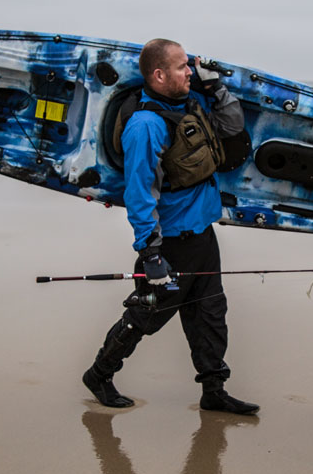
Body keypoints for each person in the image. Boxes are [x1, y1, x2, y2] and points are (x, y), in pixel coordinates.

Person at [82, 38, 259, 415]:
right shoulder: (145, 125)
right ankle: (99, 373)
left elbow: (232, 126)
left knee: (210, 315)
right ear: (159, 74)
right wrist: (150, 252)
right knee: (146, 316)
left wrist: (215, 86)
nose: (189, 72)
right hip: (171, 244)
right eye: (182, 67)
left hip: (203, 235)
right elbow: (140, 193)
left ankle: (214, 390)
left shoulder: (191, 101)